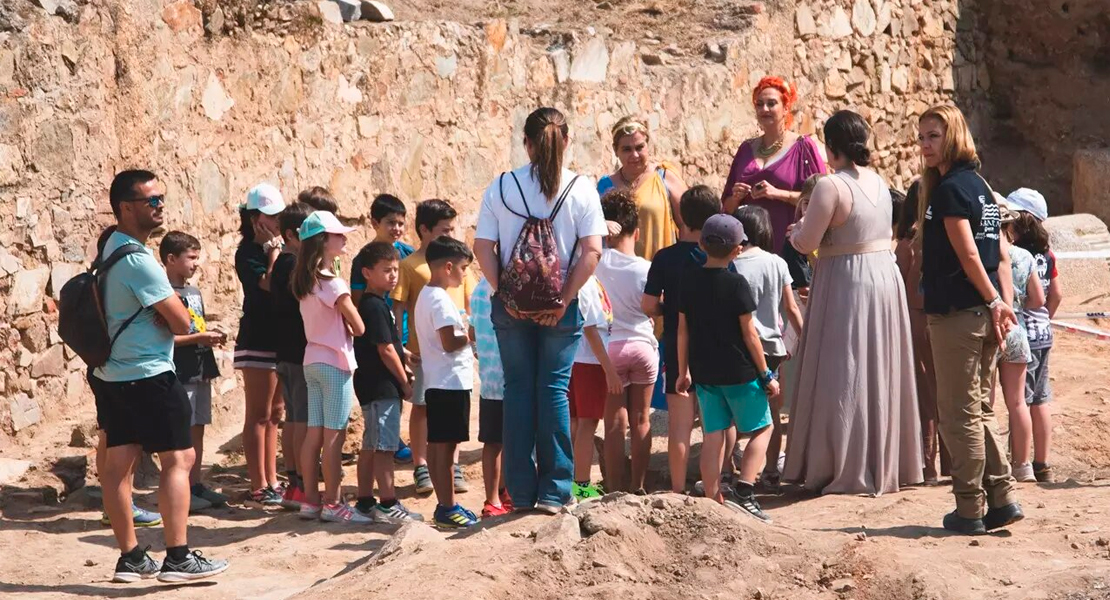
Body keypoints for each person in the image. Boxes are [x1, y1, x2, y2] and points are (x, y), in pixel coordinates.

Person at [473, 107, 607, 513]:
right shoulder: (581, 189)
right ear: (566, 142)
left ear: (526, 143)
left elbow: (483, 247)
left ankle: (521, 492)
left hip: (510, 310)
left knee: (517, 392)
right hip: (560, 310)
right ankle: (554, 492)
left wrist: (506, 296)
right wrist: (564, 299)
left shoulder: (501, 186)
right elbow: (592, 252)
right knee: (553, 391)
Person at [784, 110, 923, 496]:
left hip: (847, 279)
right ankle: (883, 458)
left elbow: (807, 242)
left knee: (842, 369)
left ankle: (840, 462)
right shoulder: (880, 182)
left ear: (832, 146)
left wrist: (796, 232)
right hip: (883, 274)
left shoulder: (831, 186)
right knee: (878, 365)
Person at [98, 170, 228, 582]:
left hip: (112, 373)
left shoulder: (109, 249)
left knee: (119, 464)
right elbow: (182, 323)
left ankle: (132, 558)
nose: (159, 206)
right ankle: (178, 556)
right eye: (150, 200)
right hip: (151, 373)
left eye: (160, 199)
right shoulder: (138, 260)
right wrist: (170, 311)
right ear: (125, 207)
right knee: (180, 458)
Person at [916, 104, 1022, 535]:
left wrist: (997, 300)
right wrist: (997, 302)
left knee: (958, 413)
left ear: (953, 136)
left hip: (961, 314)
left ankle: (970, 508)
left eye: (933, 136)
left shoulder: (951, 190)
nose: (924, 144)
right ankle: (1002, 498)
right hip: (980, 312)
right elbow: (993, 251)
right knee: (979, 409)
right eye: (921, 136)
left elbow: (971, 253)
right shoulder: (979, 185)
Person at [676, 214, 779, 523]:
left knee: (713, 434)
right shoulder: (737, 284)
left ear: (702, 244)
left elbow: (683, 330)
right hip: (739, 373)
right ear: (737, 249)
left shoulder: (689, 282)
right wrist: (766, 374)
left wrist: (684, 371)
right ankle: (745, 491)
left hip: (705, 374)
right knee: (764, 427)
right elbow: (750, 334)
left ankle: (712, 499)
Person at [642, 185, 729, 494]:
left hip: (675, 346)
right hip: (712, 346)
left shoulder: (664, 258)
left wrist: (669, 308)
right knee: (713, 427)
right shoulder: (717, 255)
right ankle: (712, 489)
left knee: (679, 429)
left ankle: (677, 490)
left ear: (681, 216)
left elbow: (648, 305)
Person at [390, 199, 475, 495]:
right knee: (423, 407)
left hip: (448, 355)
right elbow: (399, 307)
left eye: (451, 229)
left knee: (445, 425)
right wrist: (400, 346)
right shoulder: (411, 266)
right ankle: (421, 465)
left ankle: (451, 467)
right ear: (424, 230)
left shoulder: (455, 263)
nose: (449, 234)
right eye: (443, 230)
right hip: (424, 350)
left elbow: (467, 303)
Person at [291, 210, 368, 524]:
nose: (344, 237)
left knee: (314, 435)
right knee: (334, 436)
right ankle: (334, 503)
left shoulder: (304, 281)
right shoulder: (333, 283)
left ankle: (311, 501)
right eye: (338, 234)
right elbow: (359, 326)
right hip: (335, 363)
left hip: (312, 361)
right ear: (323, 241)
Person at [721, 76, 827, 292]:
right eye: (759, 104)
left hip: (789, 248)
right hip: (747, 252)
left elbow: (823, 200)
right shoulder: (745, 149)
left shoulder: (803, 148)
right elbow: (726, 207)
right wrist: (736, 197)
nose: (765, 109)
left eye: (771, 103)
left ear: (786, 107)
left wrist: (777, 194)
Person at [90, 225, 164, 531]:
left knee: (111, 438)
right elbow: (178, 320)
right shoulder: (126, 267)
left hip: (102, 363)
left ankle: (117, 504)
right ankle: (119, 505)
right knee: (119, 444)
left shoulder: (100, 275)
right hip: (125, 367)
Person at [731, 205, 804, 491]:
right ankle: (771, 469)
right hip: (772, 346)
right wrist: (805, 339)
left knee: (733, 409)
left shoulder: (732, 263)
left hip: (739, 345)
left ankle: (729, 470)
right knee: (771, 410)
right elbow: (790, 307)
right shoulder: (777, 263)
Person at [351, 242, 423, 522]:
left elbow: (386, 342)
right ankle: (388, 503)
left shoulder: (375, 304)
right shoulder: (375, 306)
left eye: (395, 270)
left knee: (371, 444)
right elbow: (385, 349)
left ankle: (366, 500)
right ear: (367, 273)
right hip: (381, 386)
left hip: (372, 384)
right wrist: (404, 380)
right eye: (386, 270)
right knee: (385, 448)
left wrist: (405, 353)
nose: (393, 275)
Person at [595, 189, 658, 494]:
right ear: (636, 230)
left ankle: (613, 488)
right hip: (643, 346)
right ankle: (639, 485)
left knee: (614, 425)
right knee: (642, 420)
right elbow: (655, 307)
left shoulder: (594, 262)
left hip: (609, 350)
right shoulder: (646, 268)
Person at [160, 231, 229, 512]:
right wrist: (199, 339)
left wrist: (210, 336)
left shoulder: (194, 292)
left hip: (201, 367)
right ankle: (183, 488)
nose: (196, 264)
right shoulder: (165, 295)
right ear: (170, 259)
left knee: (199, 427)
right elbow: (165, 338)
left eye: (197, 257)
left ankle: (195, 483)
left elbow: (196, 327)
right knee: (183, 429)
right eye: (191, 258)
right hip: (181, 370)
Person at [413, 236, 479, 529]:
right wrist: (470, 335)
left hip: (442, 381)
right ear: (448, 266)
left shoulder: (430, 296)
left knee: (441, 446)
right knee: (446, 449)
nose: (464, 274)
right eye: (463, 268)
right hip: (448, 382)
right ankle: (447, 506)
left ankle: (446, 504)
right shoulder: (439, 299)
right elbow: (449, 342)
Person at [351, 194, 417, 464]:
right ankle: (393, 444)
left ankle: (402, 441)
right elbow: (356, 303)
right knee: (388, 393)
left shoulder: (408, 255)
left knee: (408, 393)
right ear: (374, 222)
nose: (397, 229)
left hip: (403, 335)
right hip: (380, 337)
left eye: (401, 223)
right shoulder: (362, 261)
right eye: (391, 222)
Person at [893, 182, 950, 484]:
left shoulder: (906, 243)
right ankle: (951, 464)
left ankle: (928, 466)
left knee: (925, 397)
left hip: (915, 320)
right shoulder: (940, 237)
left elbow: (900, 285)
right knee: (946, 392)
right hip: (943, 317)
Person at [234, 183, 287, 505]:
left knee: (275, 413)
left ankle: (271, 480)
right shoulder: (248, 253)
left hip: (278, 339)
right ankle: (258, 484)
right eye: (271, 216)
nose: (277, 221)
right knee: (258, 413)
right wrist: (274, 252)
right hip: (257, 339)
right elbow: (268, 284)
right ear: (256, 219)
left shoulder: (274, 250)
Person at [1007, 187, 1061, 483]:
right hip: (1043, 332)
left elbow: (1034, 297)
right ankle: (1042, 463)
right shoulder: (1047, 255)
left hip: (1022, 331)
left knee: (1021, 400)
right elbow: (1056, 294)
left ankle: (1021, 462)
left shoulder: (1017, 255)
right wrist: (1046, 319)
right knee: (1040, 399)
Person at [994, 201, 1045, 482]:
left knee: (986, 402)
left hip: (991, 331)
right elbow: (1038, 299)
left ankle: (991, 466)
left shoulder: (982, 254)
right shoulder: (1024, 256)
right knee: (1017, 403)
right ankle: (1023, 465)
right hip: (1018, 330)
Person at [598, 116, 689, 260]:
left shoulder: (664, 177)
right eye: (626, 149)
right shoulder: (605, 186)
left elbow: (687, 225)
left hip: (661, 273)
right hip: (617, 275)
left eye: (639, 147)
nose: (634, 155)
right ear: (616, 151)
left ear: (648, 146)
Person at [271, 202, 313, 509]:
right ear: (291, 234)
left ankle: (296, 484)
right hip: (298, 353)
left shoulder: (284, 263)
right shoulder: (291, 264)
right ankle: (300, 485)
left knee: (295, 419)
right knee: (301, 420)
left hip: (287, 352)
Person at [569, 275, 619, 501]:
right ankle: (580, 484)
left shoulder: (586, 277)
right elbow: (590, 328)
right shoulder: (585, 281)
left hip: (580, 358)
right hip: (590, 361)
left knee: (577, 423)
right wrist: (609, 370)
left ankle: (573, 481)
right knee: (586, 424)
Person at [469, 275, 515, 517]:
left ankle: (497, 496)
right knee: (504, 441)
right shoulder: (509, 287)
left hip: (490, 379)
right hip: (509, 378)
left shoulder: (478, 290)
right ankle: (497, 497)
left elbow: (472, 332)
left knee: (495, 441)